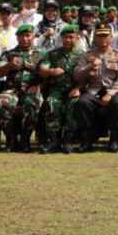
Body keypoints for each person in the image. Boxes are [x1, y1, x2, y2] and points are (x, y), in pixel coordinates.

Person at [72, 25, 118, 153]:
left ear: (110, 38)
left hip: (112, 90)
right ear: (95, 38)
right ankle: (86, 140)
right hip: (94, 91)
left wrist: (110, 94)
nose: (103, 39)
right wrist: (89, 66)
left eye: (105, 36)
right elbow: (77, 75)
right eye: (99, 36)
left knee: (117, 102)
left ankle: (114, 140)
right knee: (82, 103)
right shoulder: (87, 55)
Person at [0, 24, 44, 152]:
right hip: (12, 90)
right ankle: (11, 139)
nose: (25, 39)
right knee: (0, 101)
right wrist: (9, 65)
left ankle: (25, 140)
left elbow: (46, 74)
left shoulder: (42, 53)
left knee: (32, 102)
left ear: (33, 36)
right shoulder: (9, 54)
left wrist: (38, 86)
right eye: (21, 36)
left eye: (28, 35)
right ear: (17, 37)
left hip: (33, 89)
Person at [38, 25, 82, 154]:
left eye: (71, 37)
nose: (68, 40)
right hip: (57, 89)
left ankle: (68, 141)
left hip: (74, 89)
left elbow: (88, 77)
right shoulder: (53, 54)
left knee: (74, 104)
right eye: (65, 37)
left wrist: (78, 88)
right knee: (52, 103)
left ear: (77, 38)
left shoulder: (82, 55)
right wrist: (51, 71)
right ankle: (54, 141)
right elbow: (42, 70)